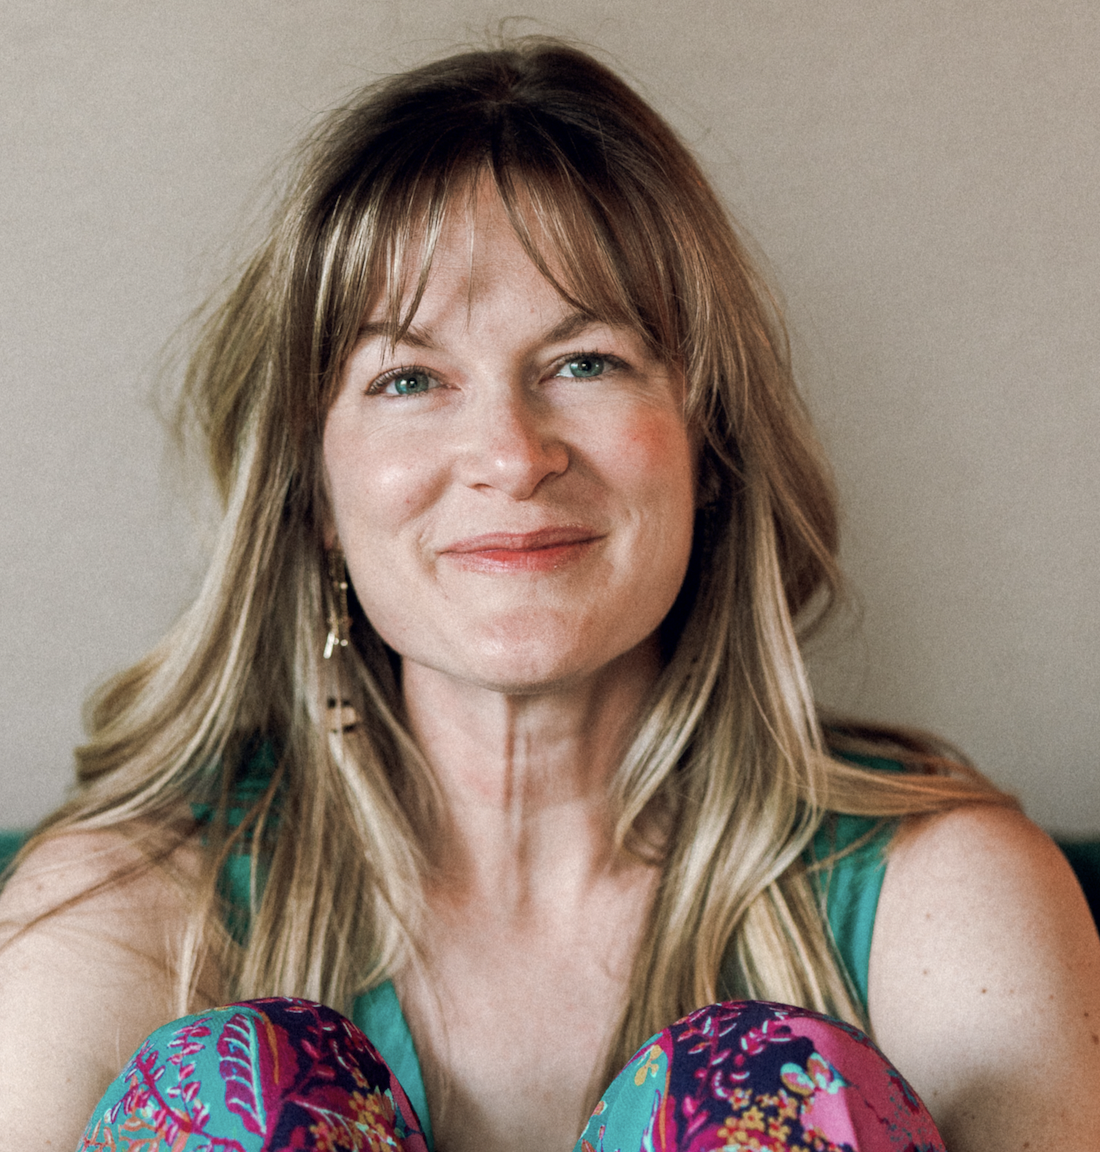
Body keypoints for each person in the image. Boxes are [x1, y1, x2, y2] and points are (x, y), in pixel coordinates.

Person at [1, 38, 1097, 1152]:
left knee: (755, 1100)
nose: (512, 456)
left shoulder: (944, 896)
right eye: (409, 379)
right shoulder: (128, 909)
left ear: (707, 444)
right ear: (316, 491)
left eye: (586, 363)